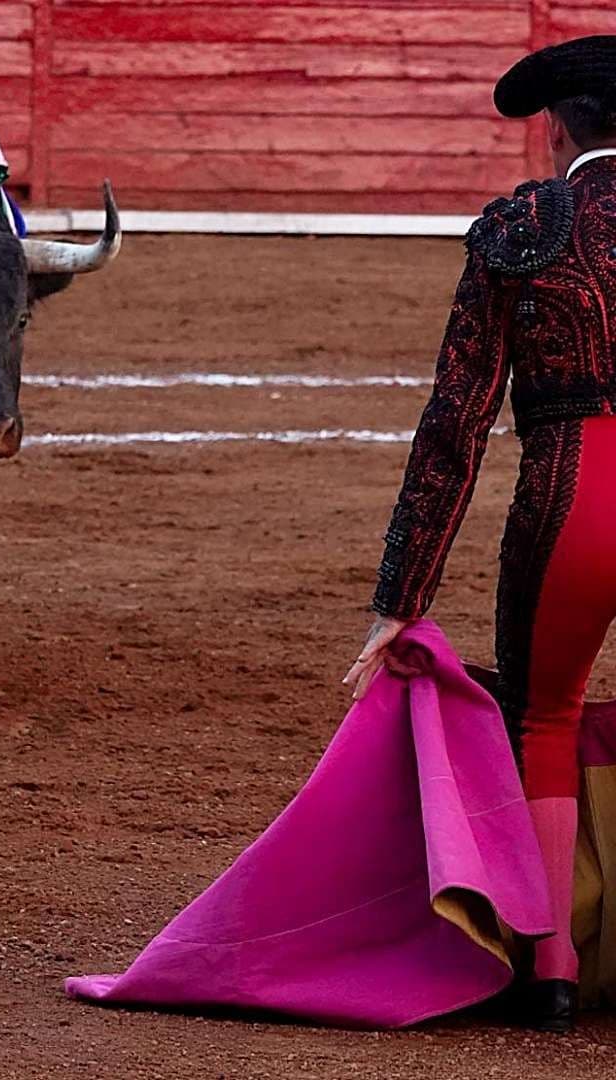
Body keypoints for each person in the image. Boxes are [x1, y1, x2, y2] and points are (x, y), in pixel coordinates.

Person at [343, 35, 616, 1034]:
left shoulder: (525, 225)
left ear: (552, 131)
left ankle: (550, 969)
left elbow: (455, 423)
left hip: (572, 497)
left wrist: (399, 602)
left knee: (545, 718)